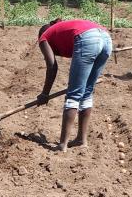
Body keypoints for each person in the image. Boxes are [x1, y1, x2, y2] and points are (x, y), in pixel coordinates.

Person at [36, 18, 112, 152]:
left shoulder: (44, 37)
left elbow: (52, 66)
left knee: (74, 94)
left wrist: (45, 94)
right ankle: (81, 140)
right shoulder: (62, 29)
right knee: (87, 92)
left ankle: (62, 145)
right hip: (106, 38)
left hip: (88, 39)